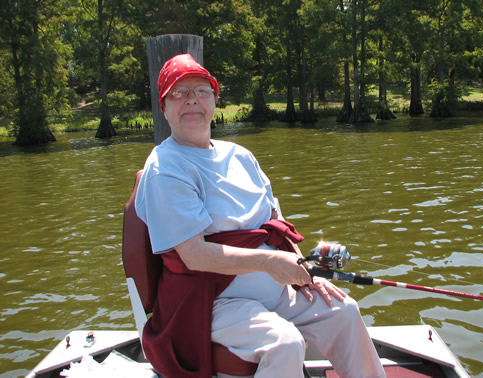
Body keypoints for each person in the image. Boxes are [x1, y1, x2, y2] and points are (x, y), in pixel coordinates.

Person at [135, 53, 385, 378]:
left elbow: (275, 224)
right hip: (211, 301)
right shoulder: (166, 167)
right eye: (179, 93)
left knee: (343, 310)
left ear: (214, 100)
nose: (191, 100)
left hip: (275, 287)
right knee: (284, 343)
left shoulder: (240, 155)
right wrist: (268, 264)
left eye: (201, 91)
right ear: (164, 107)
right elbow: (194, 255)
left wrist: (303, 270)